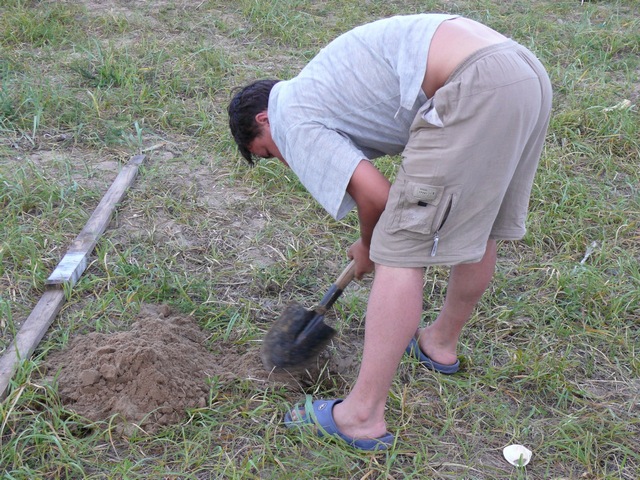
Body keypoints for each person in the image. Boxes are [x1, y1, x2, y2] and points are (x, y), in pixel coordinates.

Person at [228, 13, 552, 451]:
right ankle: (439, 343)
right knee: (482, 224)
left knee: (398, 248)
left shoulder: (290, 113)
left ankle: (360, 415)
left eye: (268, 153)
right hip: (523, 73)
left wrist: (368, 246)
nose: (283, 161)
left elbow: (378, 198)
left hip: (472, 81)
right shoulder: (326, 82)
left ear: (265, 121)